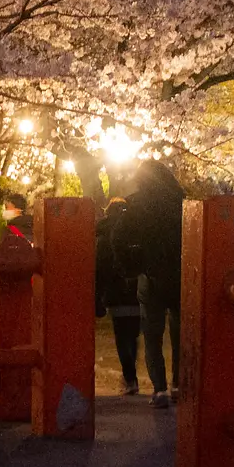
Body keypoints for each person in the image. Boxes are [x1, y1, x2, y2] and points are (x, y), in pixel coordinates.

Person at [114, 159, 185, 407]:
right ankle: (179, 384)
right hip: (180, 275)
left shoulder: (135, 204)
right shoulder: (182, 203)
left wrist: (130, 266)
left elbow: (117, 236)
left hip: (150, 276)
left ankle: (160, 389)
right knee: (180, 335)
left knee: (152, 335)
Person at [95, 196, 144, 395]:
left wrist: (98, 295)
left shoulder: (104, 235)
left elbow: (99, 267)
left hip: (115, 292)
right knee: (133, 336)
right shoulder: (137, 232)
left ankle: (130, 377)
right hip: (136, 291)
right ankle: (131, 376)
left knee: (121, 336)